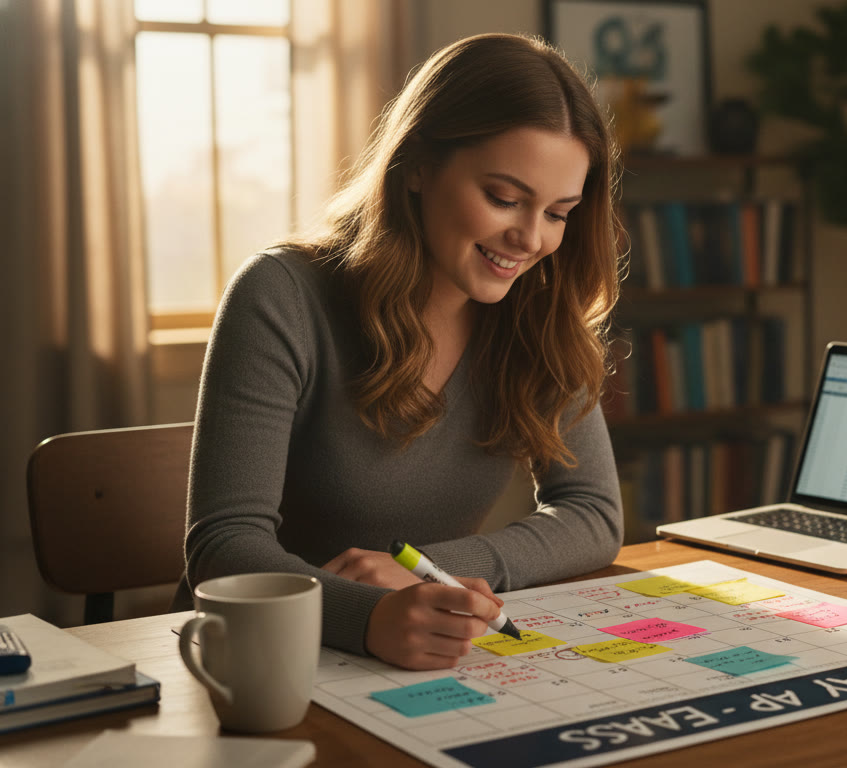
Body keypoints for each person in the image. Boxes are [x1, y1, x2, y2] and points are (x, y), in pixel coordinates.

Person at [172, 33, 624, 671]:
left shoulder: (539, 312)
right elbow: (223, 547)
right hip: (257, 658)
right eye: (503, 198)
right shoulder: (279, 295)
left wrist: (437, 572)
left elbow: (595, 513)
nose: (530, 238)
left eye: (558, 212)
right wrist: (369, 613)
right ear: (416, 165)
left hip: (418, 653)